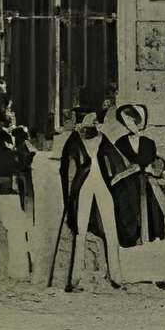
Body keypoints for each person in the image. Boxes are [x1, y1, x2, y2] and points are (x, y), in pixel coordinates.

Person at [103, 103, 165, 287]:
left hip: (149, 189)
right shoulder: (120, 143)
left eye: (132, 119)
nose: (129, 124)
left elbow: (152, 164)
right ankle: (131, 274)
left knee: (155, 226)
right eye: (125, 120)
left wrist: (148, 168)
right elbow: (119, 167)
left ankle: (161, 273)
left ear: (139, 121)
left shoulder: (149, 143)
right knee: (130, 226)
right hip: (128, 190)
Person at [52, 97, 121, 291]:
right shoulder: (73, 141)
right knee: (81, 229)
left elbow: (116, 161)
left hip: (102, 184)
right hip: (82, 186)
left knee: (110, 224)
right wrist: (69, 192)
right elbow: (66, 169)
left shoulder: (101, 139)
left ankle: (116, 274)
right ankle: (74, 278)